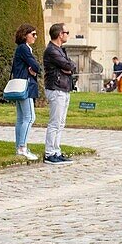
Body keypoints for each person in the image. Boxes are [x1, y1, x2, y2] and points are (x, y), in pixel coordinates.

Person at [42, 23, 76, 166]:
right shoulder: (51, 50)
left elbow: (72, 66)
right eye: (66, 32)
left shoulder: (60, 50)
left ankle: (56, 150)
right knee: (55, 123)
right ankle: (50, 153)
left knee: (61, 123)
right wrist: (67, 68)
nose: (67, 34)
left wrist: (68, 68)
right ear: (59, 34)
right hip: (56, 88)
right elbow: (68, 66)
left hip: (64, 88)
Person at [10, 24, 40, 162]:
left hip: (20, 84)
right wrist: (33, 69)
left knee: (21, 118)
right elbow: (36, 66)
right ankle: (22, 147)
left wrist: (33, 68)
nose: (35, 37)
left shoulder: (22, 49)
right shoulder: (24, 48)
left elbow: (33, 67)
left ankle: (19, 146)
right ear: (25, 35)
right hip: (25, 85)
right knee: (29, 118)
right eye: (33, 34)